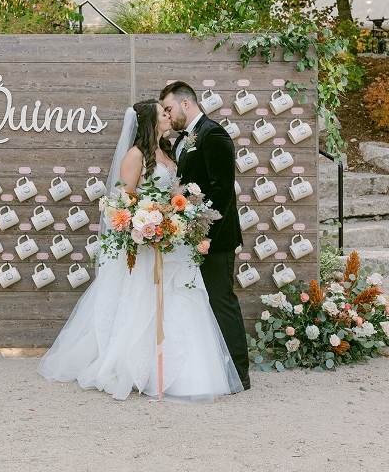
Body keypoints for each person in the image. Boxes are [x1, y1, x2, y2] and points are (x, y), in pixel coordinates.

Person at [38, 99, 244, 403]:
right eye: (164, 113)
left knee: (183, 302)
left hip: (174, 243)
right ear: (151, 121)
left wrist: (178, 214)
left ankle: (188, 372)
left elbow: (176, 192)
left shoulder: (170, 151)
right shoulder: (135, 156)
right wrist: (146, 223)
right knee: (143, 307)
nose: (169, 116)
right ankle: (140, 368)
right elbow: (121, 202)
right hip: (148, 243)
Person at [160, 82, 251, 391]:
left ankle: (240, 372)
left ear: (186, 103)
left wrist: (206, 235)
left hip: (216, 237)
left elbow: (223, 190)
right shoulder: (182, 141)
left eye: (170, 109)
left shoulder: (214, 135)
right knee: (201, 303)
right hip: (191, 238)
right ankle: (215, 368)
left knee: (221, 299)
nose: (168, 116)